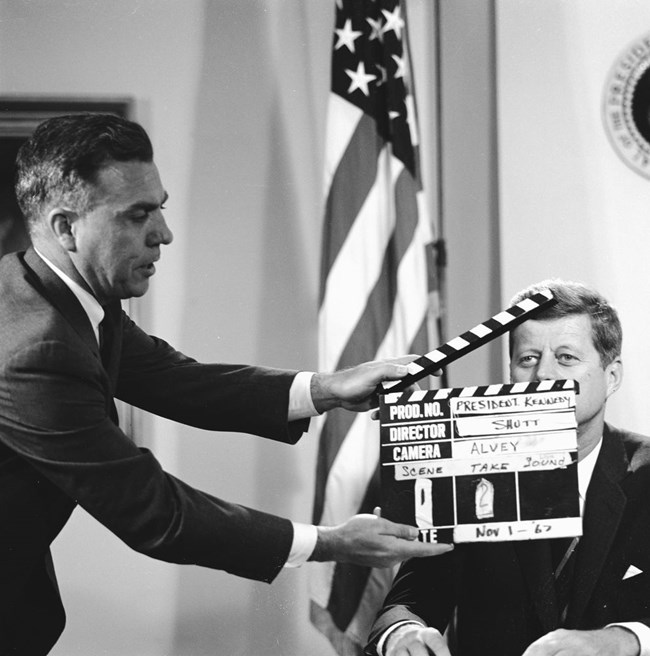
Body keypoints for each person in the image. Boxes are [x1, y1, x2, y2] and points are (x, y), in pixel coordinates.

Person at [0, 113, 452, 656]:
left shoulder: (50, 293)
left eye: (160, 208)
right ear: (66, 227)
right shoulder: (36, 347)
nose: (163, 233)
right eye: (138, 215)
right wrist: (330, 542)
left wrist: (329, 388)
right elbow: (154, 513)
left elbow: (176, 379)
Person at [366, 279, 650, 656]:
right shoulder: (467, 469)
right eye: (528, 359)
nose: (544, 376)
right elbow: (410, 600)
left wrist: (624, 640)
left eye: (566, 358)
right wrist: (402, 634)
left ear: (611, 376)